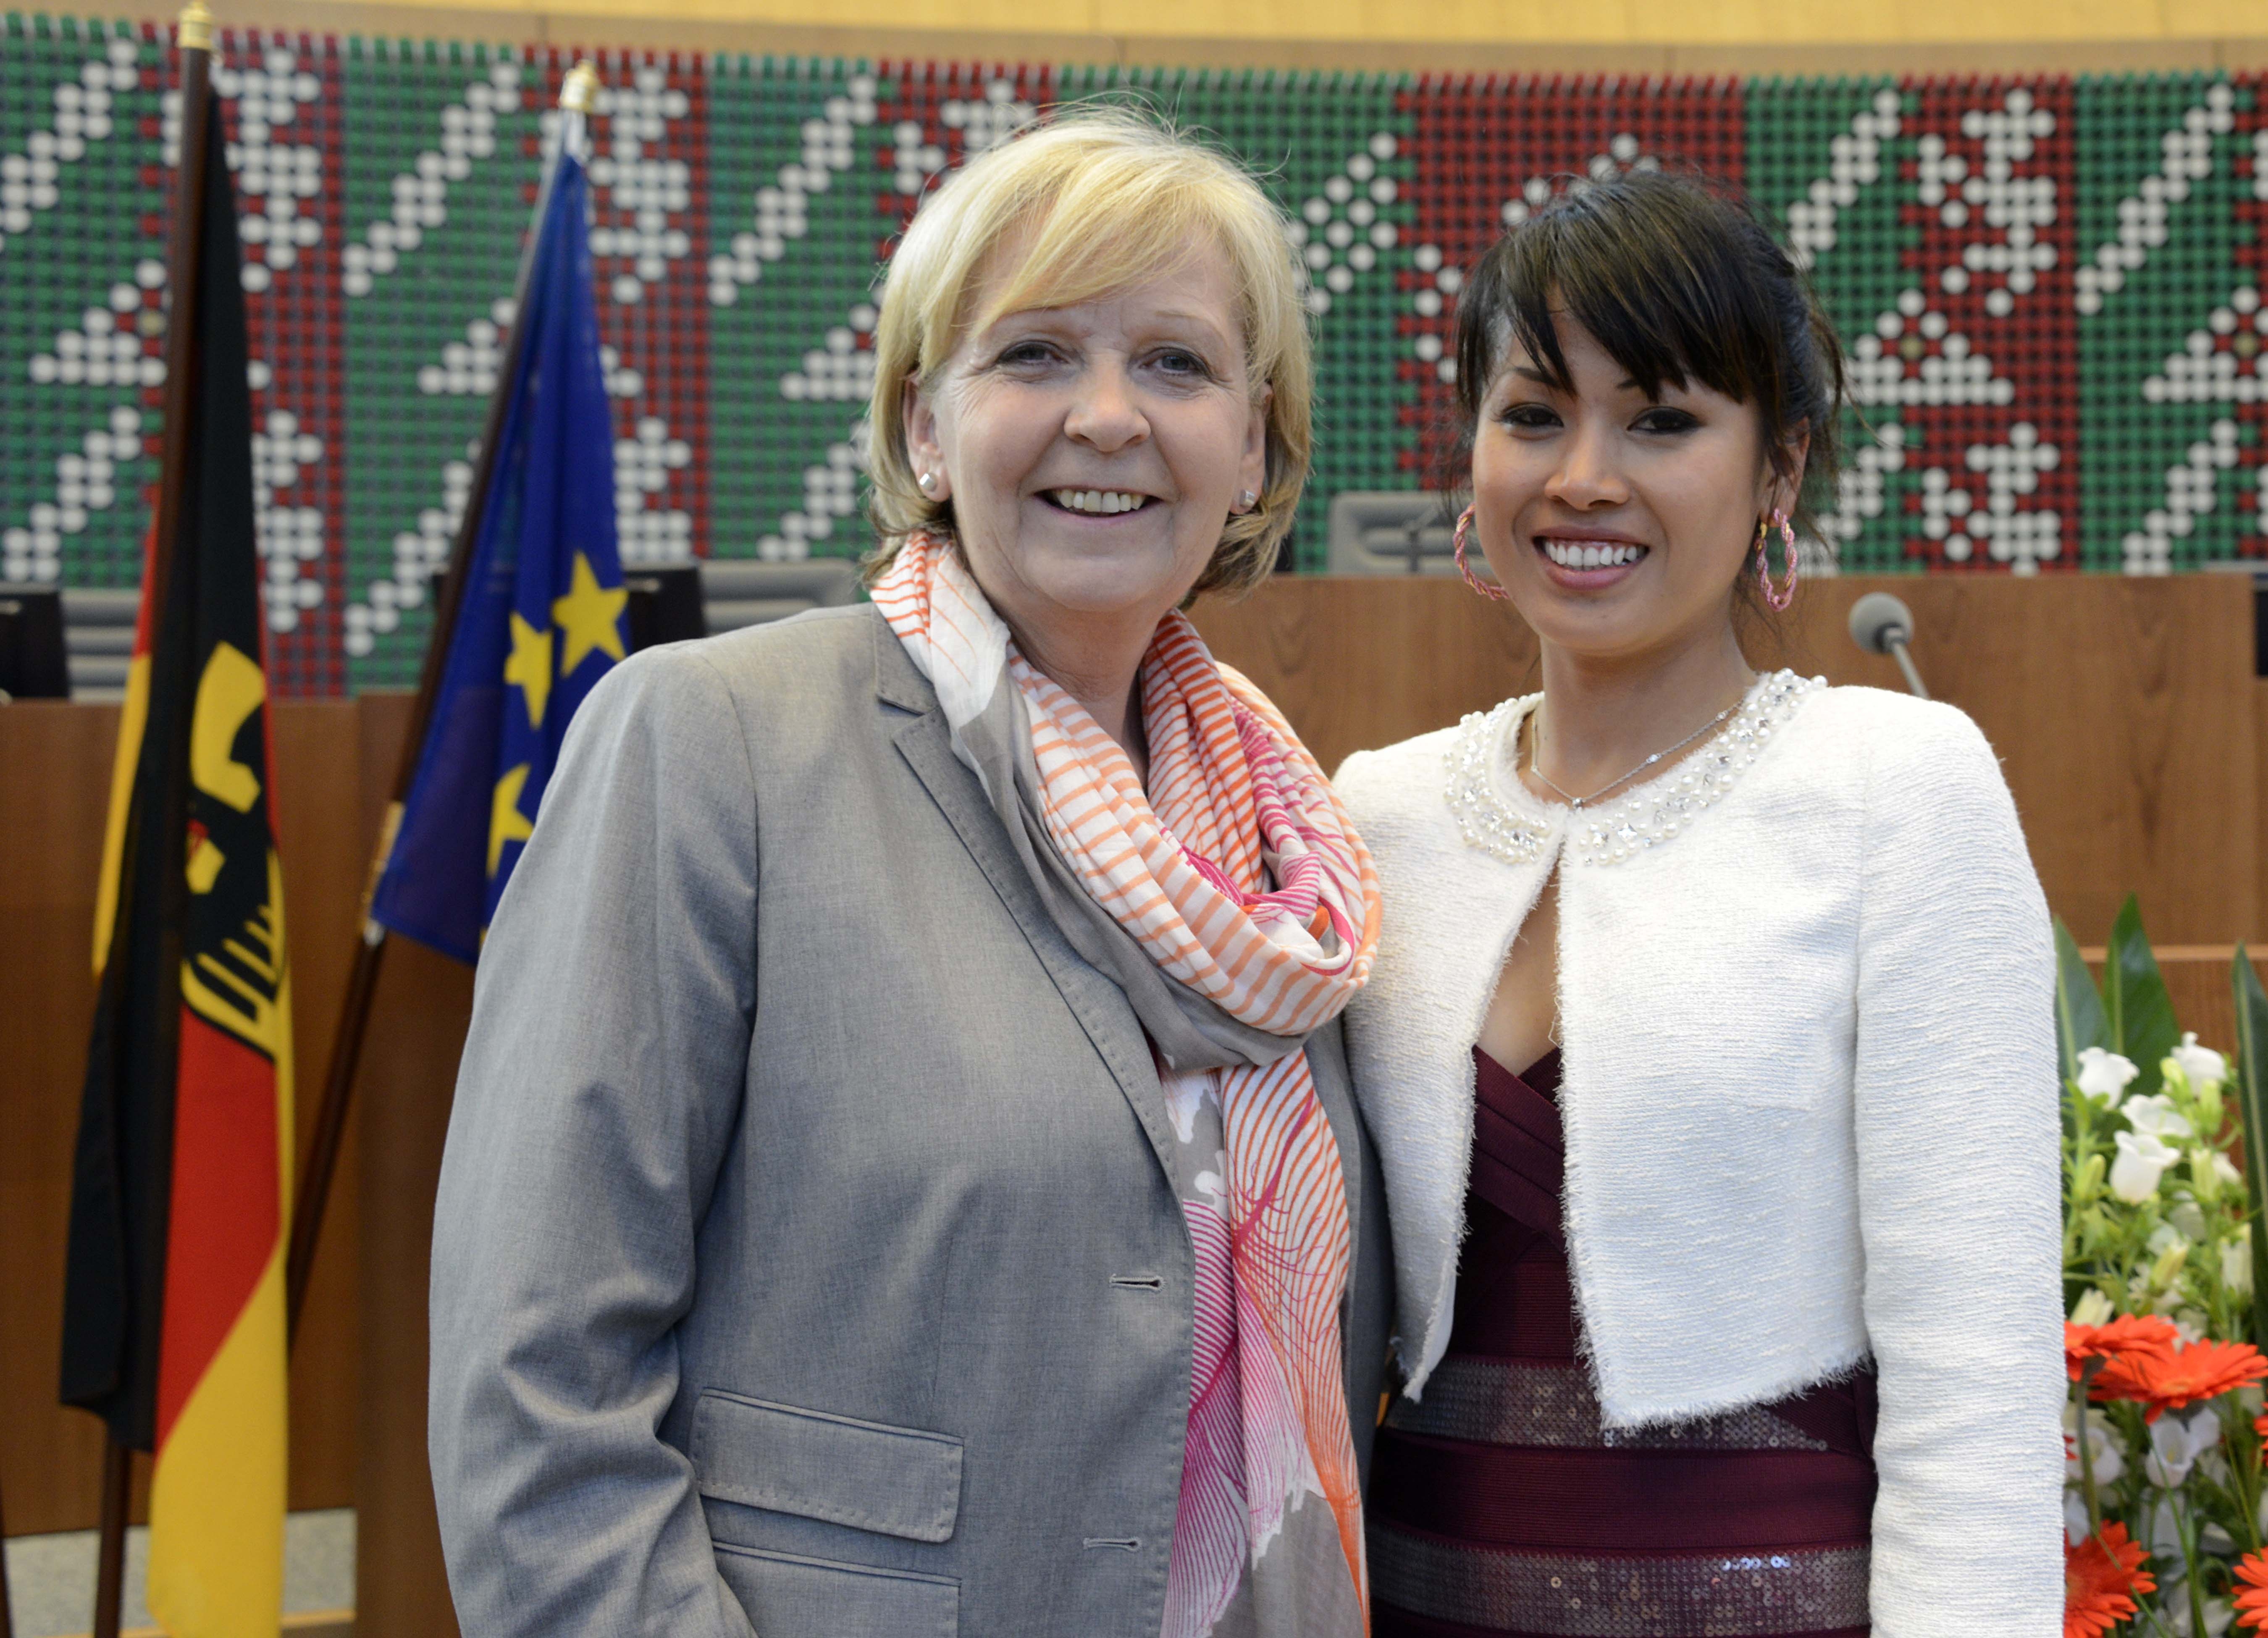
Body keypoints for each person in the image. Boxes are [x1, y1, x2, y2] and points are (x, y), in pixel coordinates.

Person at [426, 112, 1392, 1638]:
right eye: (1035, 354)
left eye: (1176, 362)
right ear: (924, 425)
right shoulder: (713, 742)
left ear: (1255, 444)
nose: (1109, 416)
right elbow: (536, 1393)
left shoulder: (1290, 851)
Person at [1333, 169, 2063, 1636]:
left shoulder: (1895, 784)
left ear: (1778, 465)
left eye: (1661, 420)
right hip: (1417, 1592)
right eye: (1533, 413)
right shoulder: (1375, 812)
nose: (1583, 476)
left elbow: (1978, 1377)